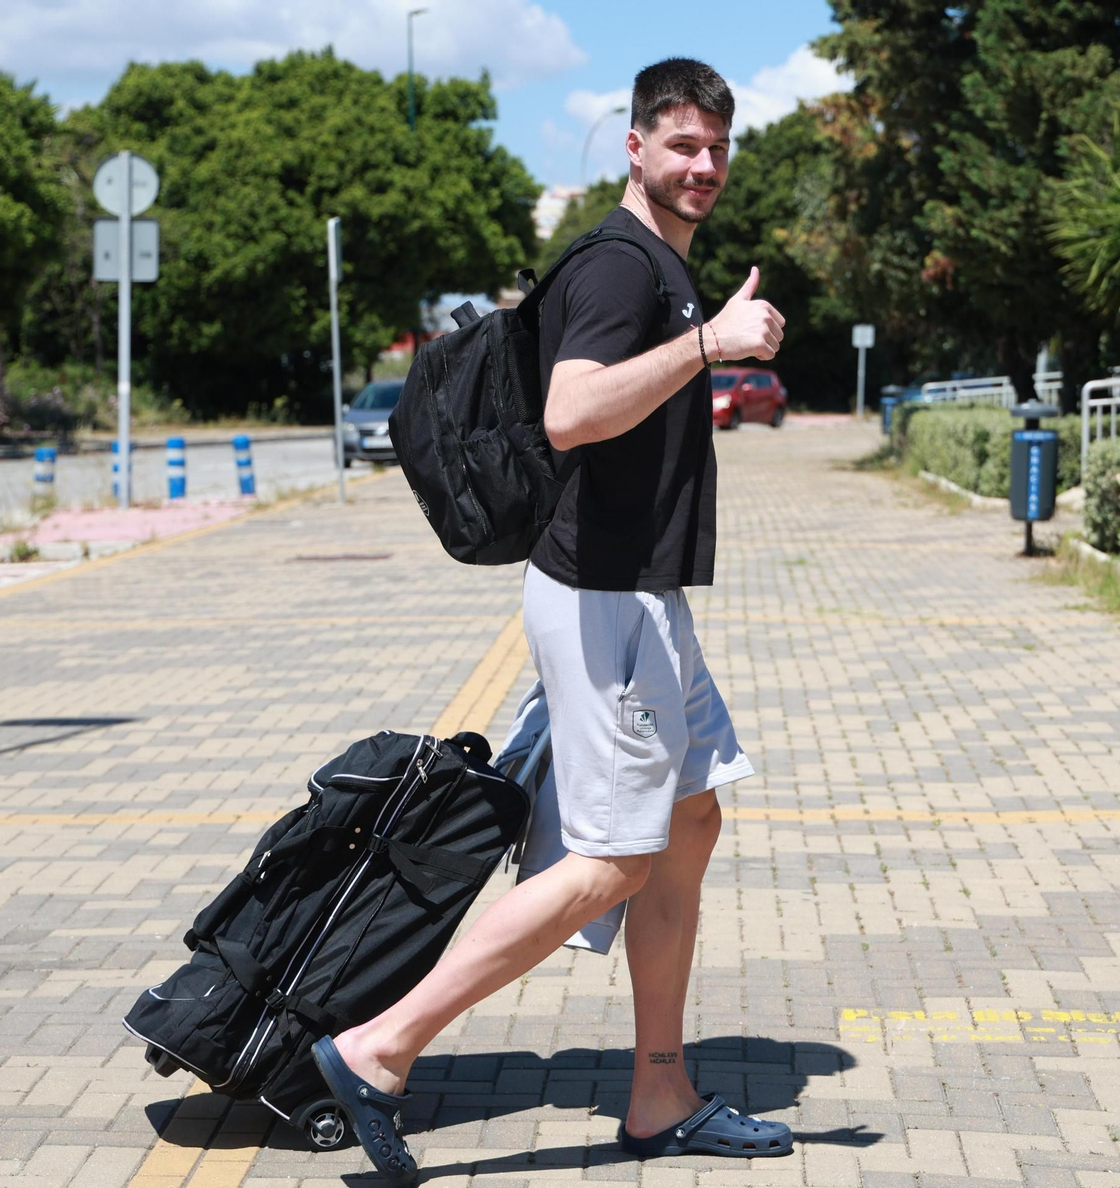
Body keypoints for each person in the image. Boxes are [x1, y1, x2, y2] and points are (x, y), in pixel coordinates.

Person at [311, 57, 788, 1185]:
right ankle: (378, 1047)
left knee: (689, 825)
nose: (704, 166)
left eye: (717, 147)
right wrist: (712, 344)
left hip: (643, 597)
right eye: (682, 146)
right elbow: (570, 412)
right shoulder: (621, 268)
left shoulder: (659, 265)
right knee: (613, 858)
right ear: (635, 148)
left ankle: (659, 1094)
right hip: (602, 601)